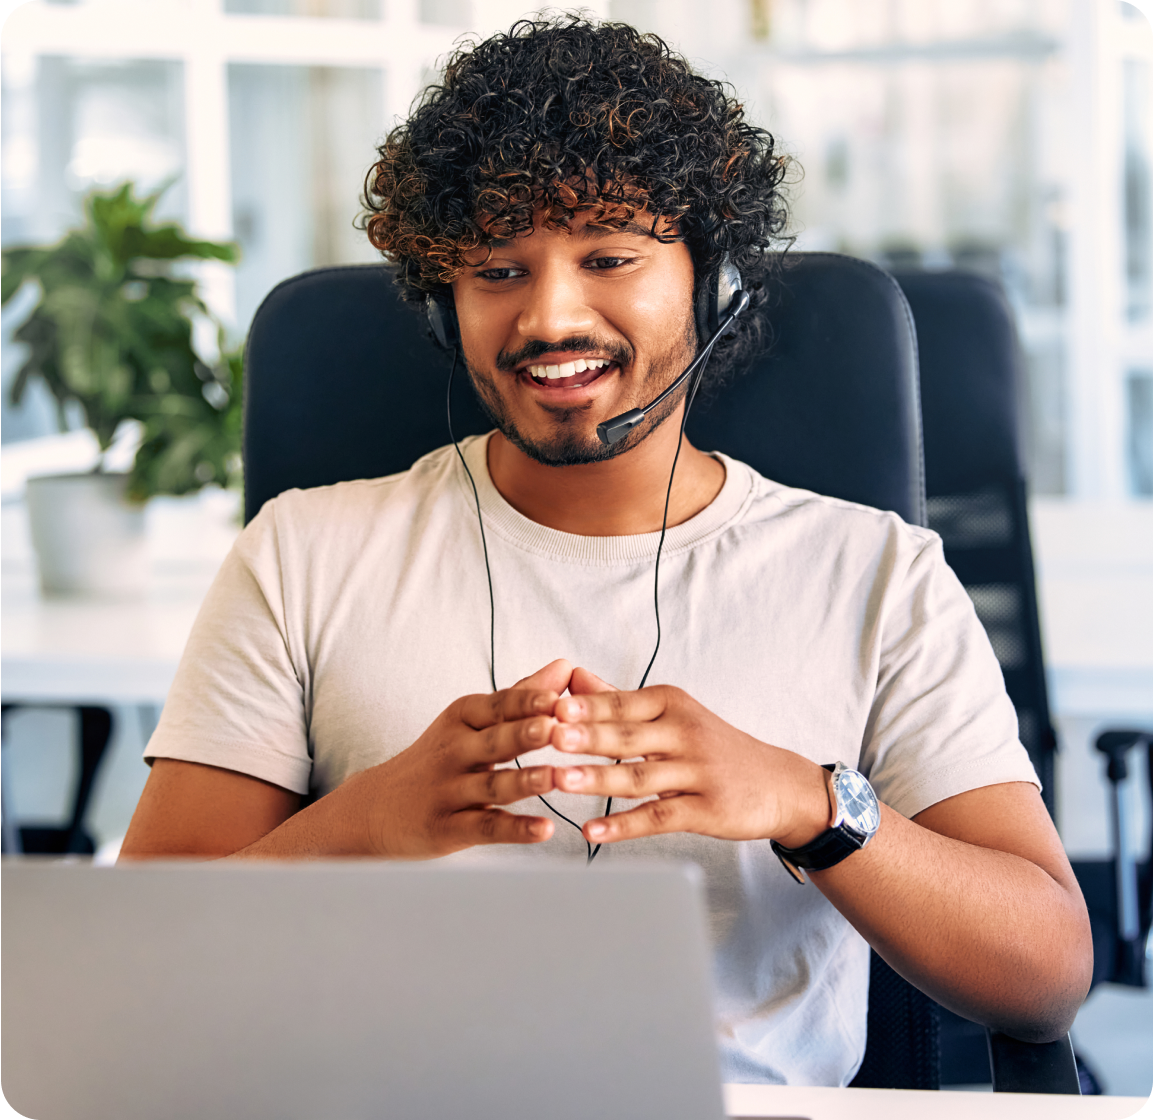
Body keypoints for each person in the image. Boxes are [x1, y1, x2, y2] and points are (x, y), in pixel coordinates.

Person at [121, 16, 1091, 1086]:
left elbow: (1044, 974)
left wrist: (812, 803)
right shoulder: (301, 553)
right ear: (446, 307)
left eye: (609, 256)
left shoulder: (874, 575)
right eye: (497, 267)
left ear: (709, 280)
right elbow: (144, 960)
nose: (548, 314)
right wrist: (369, 821)